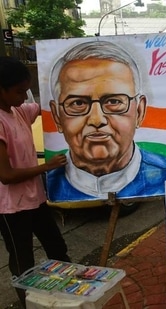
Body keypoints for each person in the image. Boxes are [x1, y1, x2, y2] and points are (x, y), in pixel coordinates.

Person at [46, 40, 166, 201]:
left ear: (139, 111)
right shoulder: (49, 185)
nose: (97, 120)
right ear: (56, 116)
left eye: (114, 102)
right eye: (78, 103)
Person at [0, 56, 71, 306]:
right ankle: (29, 303)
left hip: (35, 198)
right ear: (2, 90)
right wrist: (46, 166)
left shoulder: (17, 110)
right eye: (19, 91)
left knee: (56, 246)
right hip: (11, 206)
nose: (24, 96)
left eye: (27, 90)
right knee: (22, 260)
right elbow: (6, 176)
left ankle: (68, 298)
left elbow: (45, 106)